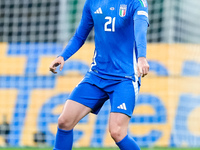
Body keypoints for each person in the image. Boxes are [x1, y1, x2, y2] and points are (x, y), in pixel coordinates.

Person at [49, 0, 149, 149]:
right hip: (97, 75)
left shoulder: (136, 2)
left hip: (125, 78)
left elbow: (140, 31)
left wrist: (141, 57)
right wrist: (62, 56)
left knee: (117, 132)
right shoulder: (92, 3)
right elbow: (79, 36)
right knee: (64, 121)